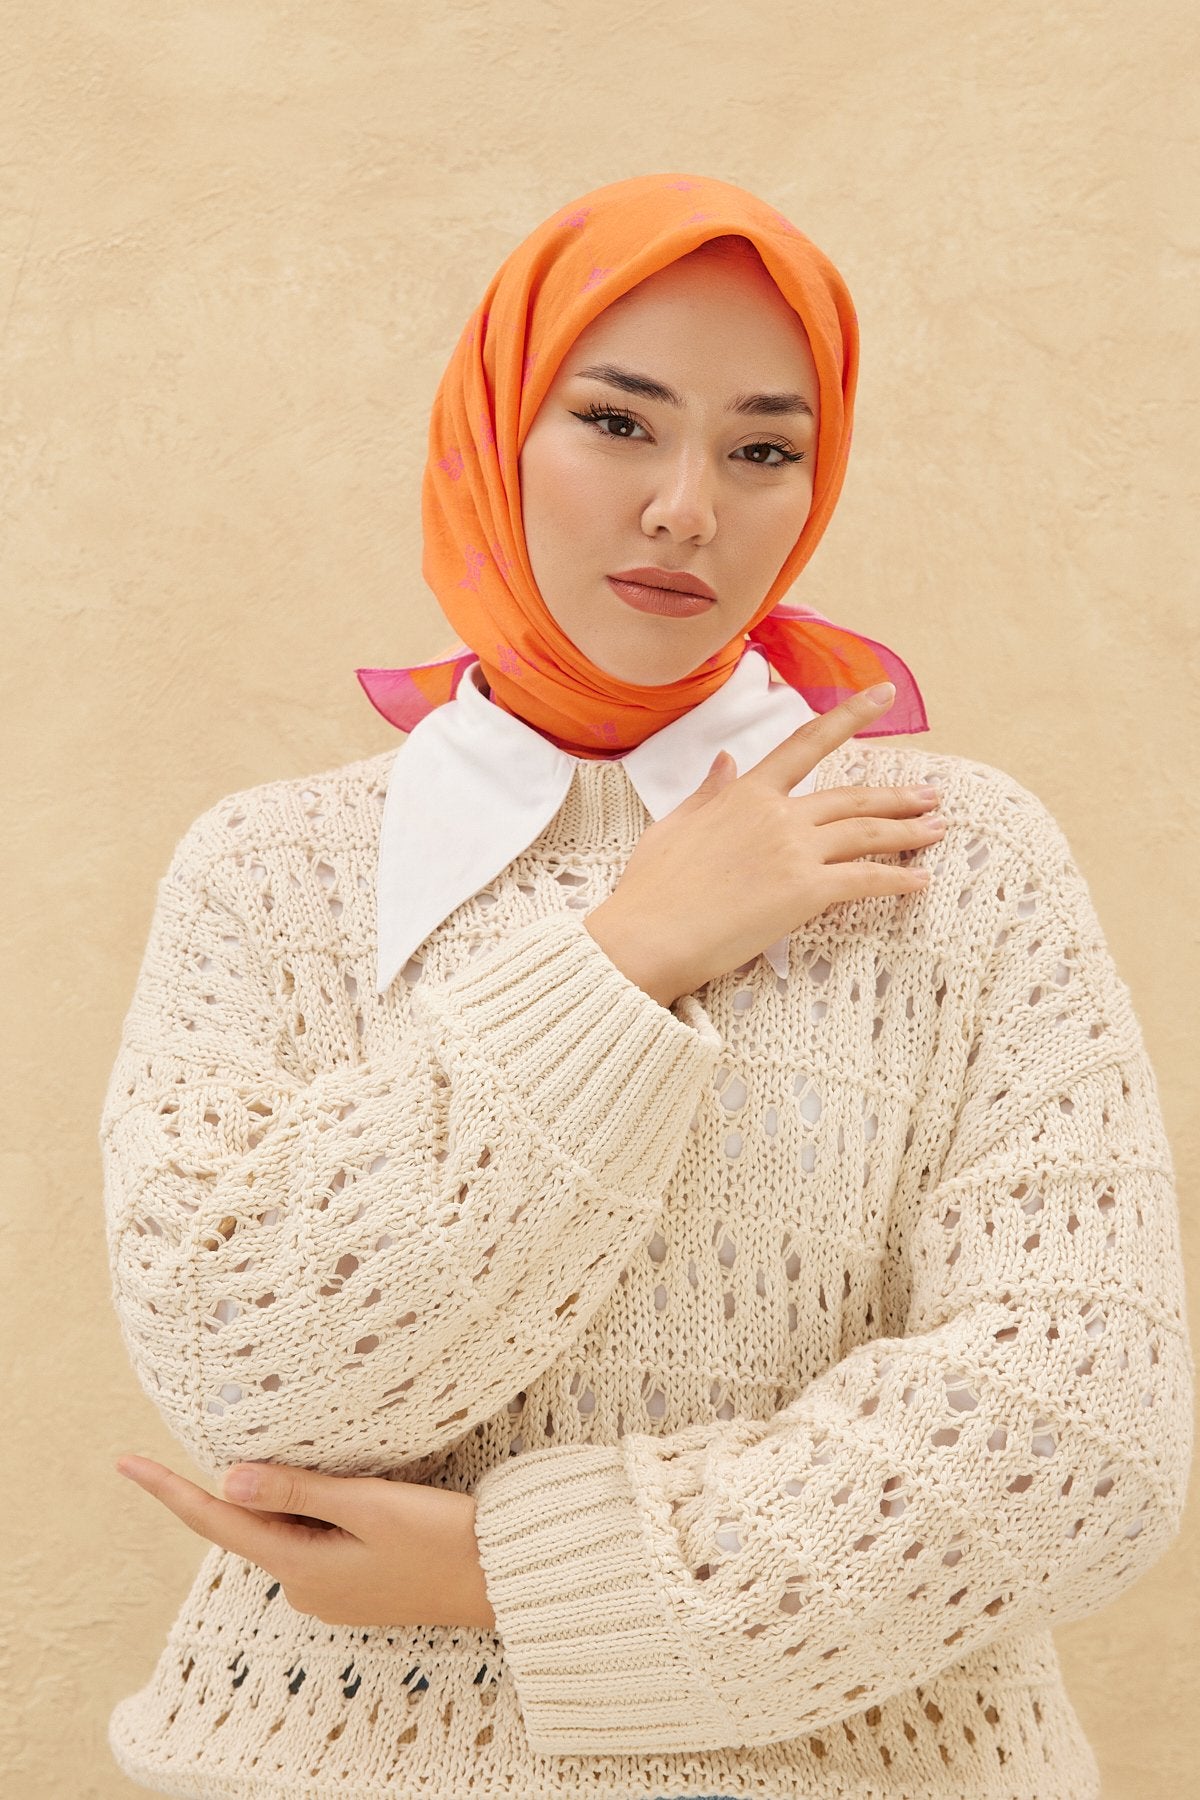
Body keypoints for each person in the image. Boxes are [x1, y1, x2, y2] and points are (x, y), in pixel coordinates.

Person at [103, 174, 1192, 1800]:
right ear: (494, 433)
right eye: (618, 423)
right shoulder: (272, 873)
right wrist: (627, 955)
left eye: (762, 450)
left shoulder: (953, 858)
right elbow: (249, 1368)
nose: (688, 507)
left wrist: (511, 1580)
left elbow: (1080, 1433)